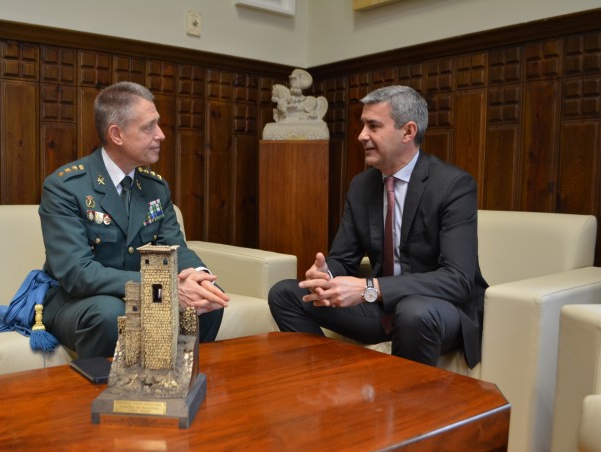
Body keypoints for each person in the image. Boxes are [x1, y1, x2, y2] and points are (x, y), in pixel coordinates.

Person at [268, 85, 488, 368]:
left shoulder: (453, 186)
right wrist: (326, 274)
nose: (361, 136)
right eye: (362, 126)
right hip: (381, 309)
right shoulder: (362, 186)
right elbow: (343, 259)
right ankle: (331, 380)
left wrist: (368, 288)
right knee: (285, 294)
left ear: (408, 132)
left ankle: (405, 407)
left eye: (373, 126)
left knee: (413, 312)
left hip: (440, 308)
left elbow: (457, 280)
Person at [39, 81, 229, 359]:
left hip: (144, 294)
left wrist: (199, 278)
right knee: (110, 313)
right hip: (77, 301)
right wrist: (164, 286)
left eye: (159, 125)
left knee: (207, 299)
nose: (161, 135)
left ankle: (174, 382)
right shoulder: (67, 186)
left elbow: (175, 248)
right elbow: (77, 274)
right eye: (149, 127)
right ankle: (99, 394)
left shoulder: (155, 187)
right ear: (117, 134)